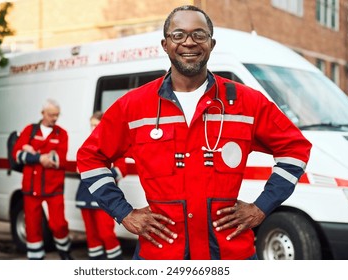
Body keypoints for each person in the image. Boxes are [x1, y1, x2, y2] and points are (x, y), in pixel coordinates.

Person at [76, 5, 312, 260]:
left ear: (211, 43)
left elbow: (295, 149)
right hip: (160, 255)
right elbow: (90, 157)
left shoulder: (247, 102)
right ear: (165, 44)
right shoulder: (134, 106)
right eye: (178, 35)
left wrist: (261, 208)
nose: (189, 42)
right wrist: (124, 213)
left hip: (230, 255)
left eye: (199, 34)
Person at [12, 98, 73, 260]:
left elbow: (59, 159)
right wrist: (40, 158)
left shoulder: (62, 133)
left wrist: (32, 153)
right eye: (51, 114)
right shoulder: (29, 130)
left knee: (58, 224)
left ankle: (64, 251)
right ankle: (36, 258)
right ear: (42, 113)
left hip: (54, 187)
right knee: (32, 226)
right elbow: (17, 154)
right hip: (31, 187)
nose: (54, 118)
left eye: (57, 115)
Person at [75, 111, 125, 260]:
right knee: (91, 235)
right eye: (91, 125)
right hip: (85, 195)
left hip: (105, 197)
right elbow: (79, 167)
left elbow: (122, 169)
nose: (93, 128)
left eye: (96, 125)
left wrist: (99, 172)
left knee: (106, 233)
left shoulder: (113, 144)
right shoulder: (87, 144)